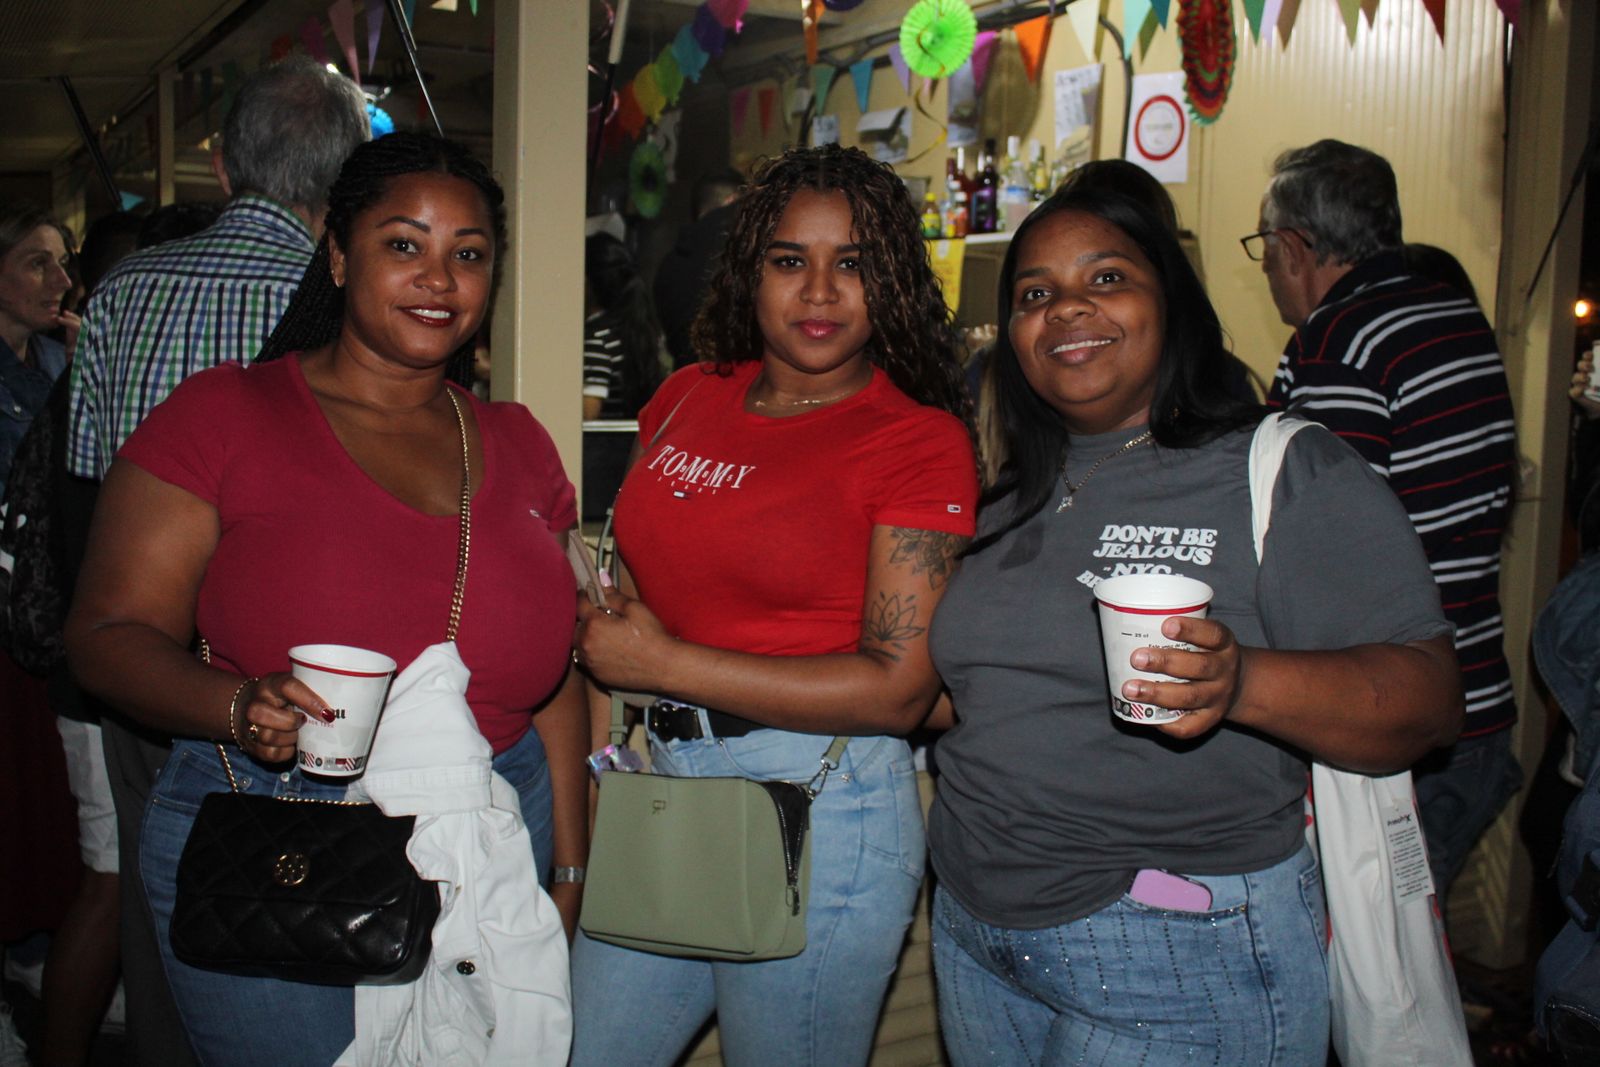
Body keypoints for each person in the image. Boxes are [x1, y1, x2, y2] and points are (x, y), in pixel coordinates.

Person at [63, 131, 587, 1066]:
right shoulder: (225, 414)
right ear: (340, 256)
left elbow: (555, 681)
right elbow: (107, 633)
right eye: (404, 244)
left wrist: (572, 867)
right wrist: (232, 703)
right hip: (281, 827)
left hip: (499, 829)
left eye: (467, 254)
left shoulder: (519, 441)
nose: (439, 278)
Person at [924, 181, 1463, 1065]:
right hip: (976, 937)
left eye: (1106, 277)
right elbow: (976, 696)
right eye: (1034, 293)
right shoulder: (1007, 496)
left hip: (1172, 951)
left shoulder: (1285, 468)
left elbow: (1432, 697)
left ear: (1169, 300)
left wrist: (1242, 679)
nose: (1066, 307)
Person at [568, 143, 979, 1066]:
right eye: (791, 260)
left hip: (821, 804)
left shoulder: (916, 440)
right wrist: (609, 764)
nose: (821, 291)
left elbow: (897, 689)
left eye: (854, 264)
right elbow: (629, 594)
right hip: (666, 784)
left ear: (894, 284)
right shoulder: (684, 397)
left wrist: (661, 665)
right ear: (751, 273)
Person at [63, 54, 368, 1067]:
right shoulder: (346, 301)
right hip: (299, 677)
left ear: (224, 167)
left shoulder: (120, 292)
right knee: (296, 920)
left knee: (160, 919)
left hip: (138, 658)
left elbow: (83, 491)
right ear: (345, 180)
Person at [1255, 140, 1519, 901]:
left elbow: (1317, 557)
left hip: (1391, 720)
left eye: (1266, 250)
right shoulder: (1452, 314)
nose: (1268, 272)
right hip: (1475, 697)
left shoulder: (1337, 344)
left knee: (1360, 987)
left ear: (1295, 247)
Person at [652, 168, 743, 367]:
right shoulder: (742, 249)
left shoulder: (668, 266)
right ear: (734, 201)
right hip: (743, 384)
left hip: (689, 386)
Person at [581, 232, 663, 420]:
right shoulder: (636, 330)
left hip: (603, 447)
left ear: (586, 282)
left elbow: (588, 414)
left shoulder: (596, 339)